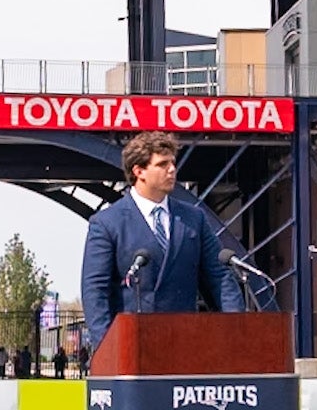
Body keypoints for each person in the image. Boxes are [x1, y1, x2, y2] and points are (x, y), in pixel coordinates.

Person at [79, 131, 244, 350]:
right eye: (162, 164)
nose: (172, 169)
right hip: (132, 348)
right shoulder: (107, 223)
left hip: (185, 344)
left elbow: (219, 277)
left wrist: (236, 331)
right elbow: (95, 291)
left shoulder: (194, 219)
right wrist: (107, 349)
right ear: (139, 171)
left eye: (173, 163)